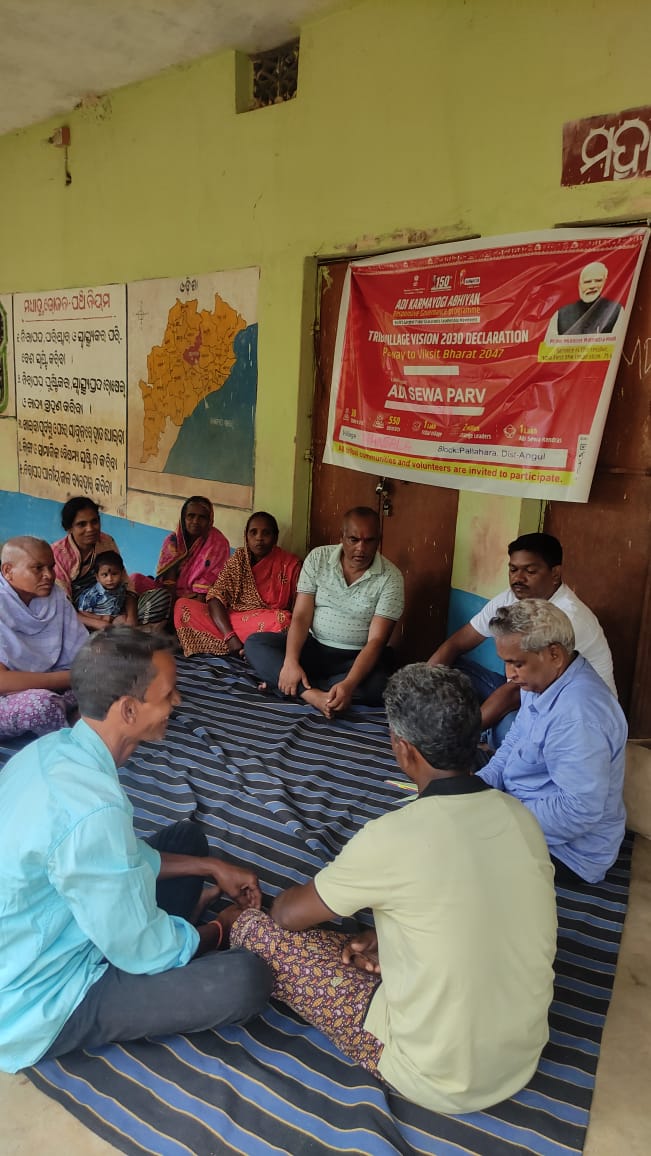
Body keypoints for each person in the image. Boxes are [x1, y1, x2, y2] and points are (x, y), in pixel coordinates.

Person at [231, 664, 557, 1114]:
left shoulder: (393, 837)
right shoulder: (521, 818)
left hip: (438, 1075)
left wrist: (267, 908)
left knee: (256, 931)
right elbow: (472, 905)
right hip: (520, 1055)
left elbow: (288, 916)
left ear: (404, 750)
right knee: (374, 934)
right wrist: (389, 936)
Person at [0, 628, 272, 1073]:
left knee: (189, 840)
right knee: (247, 979)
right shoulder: (92, 809)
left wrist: (210, 866)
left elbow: (113, 857)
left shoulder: (51, 751)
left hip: (53, 926)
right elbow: (143, 948)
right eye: (168, 695)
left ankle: (186, 899)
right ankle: (192, 930)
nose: (178, 703)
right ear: (128, 709)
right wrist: (222, 929)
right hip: (37, 996)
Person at [477, 600, 627, 884]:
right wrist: (483, 782)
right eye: (506, 663)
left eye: (516, 663)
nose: (509, 674)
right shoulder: (540, 680)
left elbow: (578, 811)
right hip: (523, 805)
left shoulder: (579, 716)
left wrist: (497, 814)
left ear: (554, 654)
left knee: (454, 850)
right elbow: (515, 740)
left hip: (568, 851)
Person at [427, 532, 615, 746]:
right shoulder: (514, 596)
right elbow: (458, 642)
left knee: (513, 734)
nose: (518, 578)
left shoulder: (567, 618)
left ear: (555, 574)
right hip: (525, 690)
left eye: (530, 571)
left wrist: (458, 738)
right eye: (513, 569)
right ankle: (477, 734)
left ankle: (474, 737)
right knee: (449, 670)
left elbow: (514, 692)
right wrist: (418, 691)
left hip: (569, 714)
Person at [244, 507, 404, 718]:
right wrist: (291, 661)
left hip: (355, 659)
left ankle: (291, 685)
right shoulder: (318, 558)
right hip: (314, 648)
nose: (361, 548)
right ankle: (311, 694)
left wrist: (348, 684)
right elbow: (301, 616)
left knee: (380, 687)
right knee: (255, 644)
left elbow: (376, 641)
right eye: (354, 539)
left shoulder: (391, 577)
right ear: (342, 537)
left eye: (369, 541)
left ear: (379, 540)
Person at [174, 511, 301, 657]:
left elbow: (298, 610)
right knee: (183, 606)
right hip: (231, 620)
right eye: (253, 532)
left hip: (267, 623)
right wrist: (229, 636)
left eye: (266, 533)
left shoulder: (290, 564)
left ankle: (245, 646)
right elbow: (216, 597)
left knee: (283, 621)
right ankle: (242, 646)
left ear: (275, 537)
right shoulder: (239, 559)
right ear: (246, 536)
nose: (259, 538)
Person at [0, 537, 88, 738]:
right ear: (8, 571)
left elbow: (83, 653)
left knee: (113, 675)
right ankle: (70, 736)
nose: (48, 575)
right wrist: (69, 678)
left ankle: (74, 718)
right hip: (14, 698)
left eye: (51, 567)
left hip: (55, 685)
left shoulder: (56, 597)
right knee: (41, 704)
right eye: (37, 568)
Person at [131, 495, 230, 623]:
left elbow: (204, 590)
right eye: (191, 516)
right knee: (135, 580)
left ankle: (161, 618)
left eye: (202, 517)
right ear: (183, 518)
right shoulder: (173, 541)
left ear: (210, 520)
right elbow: (168, 582)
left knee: (184, 606)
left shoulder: (217, 543)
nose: (195, 521)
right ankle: (134, 620)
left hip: (198, 598)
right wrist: (169, 607)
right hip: (169, 593)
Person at [545, 260, 623, 339]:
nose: (593, 286)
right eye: (587, 282)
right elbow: (549, 346)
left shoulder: (616, 310)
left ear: (605, 281)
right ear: (579, 284)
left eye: (598, 281)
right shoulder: (561, 313)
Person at [76, 549, 131, 624]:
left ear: (122, 573)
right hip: (98, 622)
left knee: (125, 620)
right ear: (97, 577)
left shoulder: (121, 587)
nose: (110, 579)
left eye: (114, 574)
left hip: (114, 618)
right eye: (105, 575)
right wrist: (101, 618)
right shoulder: (92, 594)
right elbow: (82, 612)